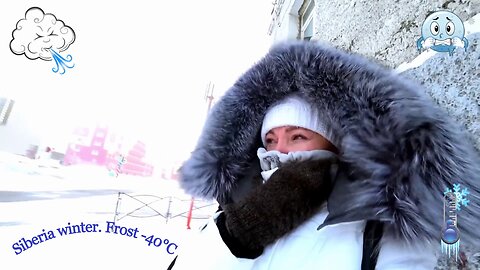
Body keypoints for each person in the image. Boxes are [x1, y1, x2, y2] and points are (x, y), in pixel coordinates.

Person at [170, 41, 480, 269]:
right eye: (270, 138)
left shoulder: (378, 230)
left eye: (298, 136)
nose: (280, 149)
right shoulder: (231, 214)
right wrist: (238, 237)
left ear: (335, 146)